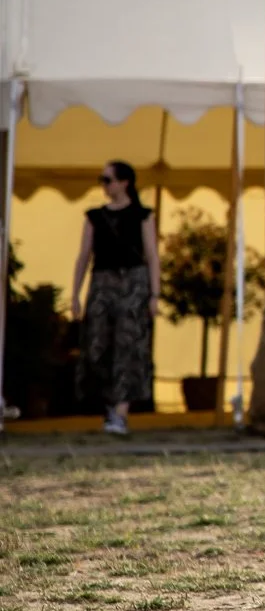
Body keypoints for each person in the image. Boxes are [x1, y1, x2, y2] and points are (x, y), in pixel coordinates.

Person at [71, 160, 159, 435]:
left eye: (108, 180)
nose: (105, 185)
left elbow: (152, 255)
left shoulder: (143, 215)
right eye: (103, 180)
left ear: (124, 183)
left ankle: (121, 411)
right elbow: (83, 256)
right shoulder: (94, 216)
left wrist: (155, 294)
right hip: (102, 282)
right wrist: (74, 293)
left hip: (133, 282)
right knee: (97, 344)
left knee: (128, 344)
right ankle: (107, 404)